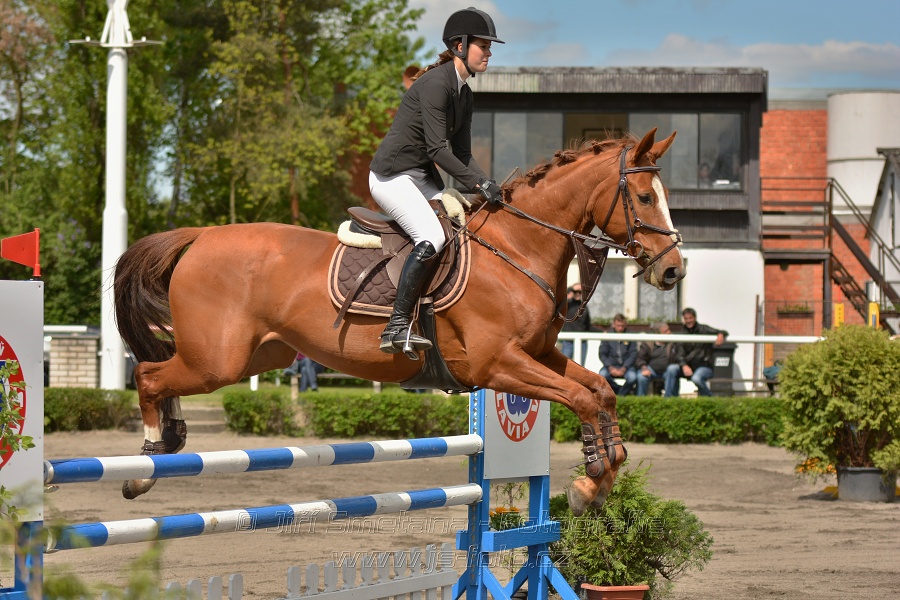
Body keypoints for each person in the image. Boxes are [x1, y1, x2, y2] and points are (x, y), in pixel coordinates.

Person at [368, 7, 504, 356]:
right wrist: (478, 184)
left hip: (419, 178)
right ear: (460, 46)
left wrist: (486, 183)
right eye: (484, 45)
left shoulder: (464, 94)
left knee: (463, 225)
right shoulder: (435, 84)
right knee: (432, 235)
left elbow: (463, 153)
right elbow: (437, 149)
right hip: (391, 177)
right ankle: (396, 326)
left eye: (489, 47)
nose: (489, 52)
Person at [677, 308, 727, 397]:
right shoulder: (682, 333)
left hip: (704, 365)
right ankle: (670, 398)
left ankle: (710, 398)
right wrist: (684, 365)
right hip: (689, 366)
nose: (688, 321)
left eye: (690, 318)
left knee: (696, 378)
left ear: (695, 318)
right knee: (671, 370)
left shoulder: (704, 329)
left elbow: (721, 331)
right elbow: (680, 352)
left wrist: (721, 335)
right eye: (686, 319)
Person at [635, 322, 682, 397]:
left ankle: (668, 399)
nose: (669, 332)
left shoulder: (674, 343)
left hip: (667, 371)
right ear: (658, 334)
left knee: (672, 369)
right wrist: (644, 368)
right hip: (651, 370)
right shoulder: (648, 343)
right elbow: (640, 358)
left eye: (669, 330)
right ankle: (640, 400)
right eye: (665, 331)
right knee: (641, 376)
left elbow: (679, 356)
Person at [599, 314, 638, 395]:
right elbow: (602, 354)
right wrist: (610, 367)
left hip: (627, 367)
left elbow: (633, 354)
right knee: (602, 376)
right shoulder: (607, 336)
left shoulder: (630, 335)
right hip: (610, 366)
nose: (620, 328)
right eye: (618, 326)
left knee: (632, 377)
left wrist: (624, 368)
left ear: (625, 325)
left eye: (622, 326)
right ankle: (618, 390)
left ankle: (620, 395)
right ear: (614, 324)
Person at [560, 283, 591, 364]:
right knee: (563, 365)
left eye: (580, 292)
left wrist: (604, 331)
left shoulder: (584, 306)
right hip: (568, 340)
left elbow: (588, 325)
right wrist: (569, 292)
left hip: (582, 341)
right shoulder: (567, 304)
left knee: (580, 365)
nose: (578, 294)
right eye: (575, 291)